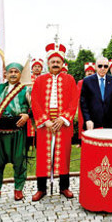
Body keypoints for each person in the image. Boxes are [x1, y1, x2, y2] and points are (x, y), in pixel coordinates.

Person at [31, 43, 78, 200]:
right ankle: (41, 188)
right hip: (45, 125)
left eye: (58, 61)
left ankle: (64, 187)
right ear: (48, 63)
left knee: (63, 155)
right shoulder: (39, 80)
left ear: (62, 63)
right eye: (53, 62)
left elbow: (73, 101)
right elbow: (35, 102)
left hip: (62, 123)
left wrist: (63, 118)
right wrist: (45, 121)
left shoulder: (70, 79)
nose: (56, 64)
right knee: (43, 156)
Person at [0, 62, 31, 202]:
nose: (12, 74)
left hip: (17, 132)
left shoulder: (26, 90)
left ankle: (18, 189)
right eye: (10, 71)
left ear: (20, 74)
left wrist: (28, 115)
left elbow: (35, 106)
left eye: (15, 72)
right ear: (5, 74)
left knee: (19, 161)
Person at [80, 57, 112, 131]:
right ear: (95, 67)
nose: (102, 68)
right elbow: (84, 103)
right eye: (100, 66)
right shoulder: (87, 81)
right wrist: (87, 119)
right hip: (92, 124)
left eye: (105, 66)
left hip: (109, 124)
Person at [26, 58, 45, 150]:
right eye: (35, 66)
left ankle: (39, 145)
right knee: (29, 126)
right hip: (30, 106)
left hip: (42, 107)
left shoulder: (45, 78)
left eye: (39, 67)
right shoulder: (28, 79)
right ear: (32, 68)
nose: (37, 68)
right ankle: (28, 145)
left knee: (40, 125)